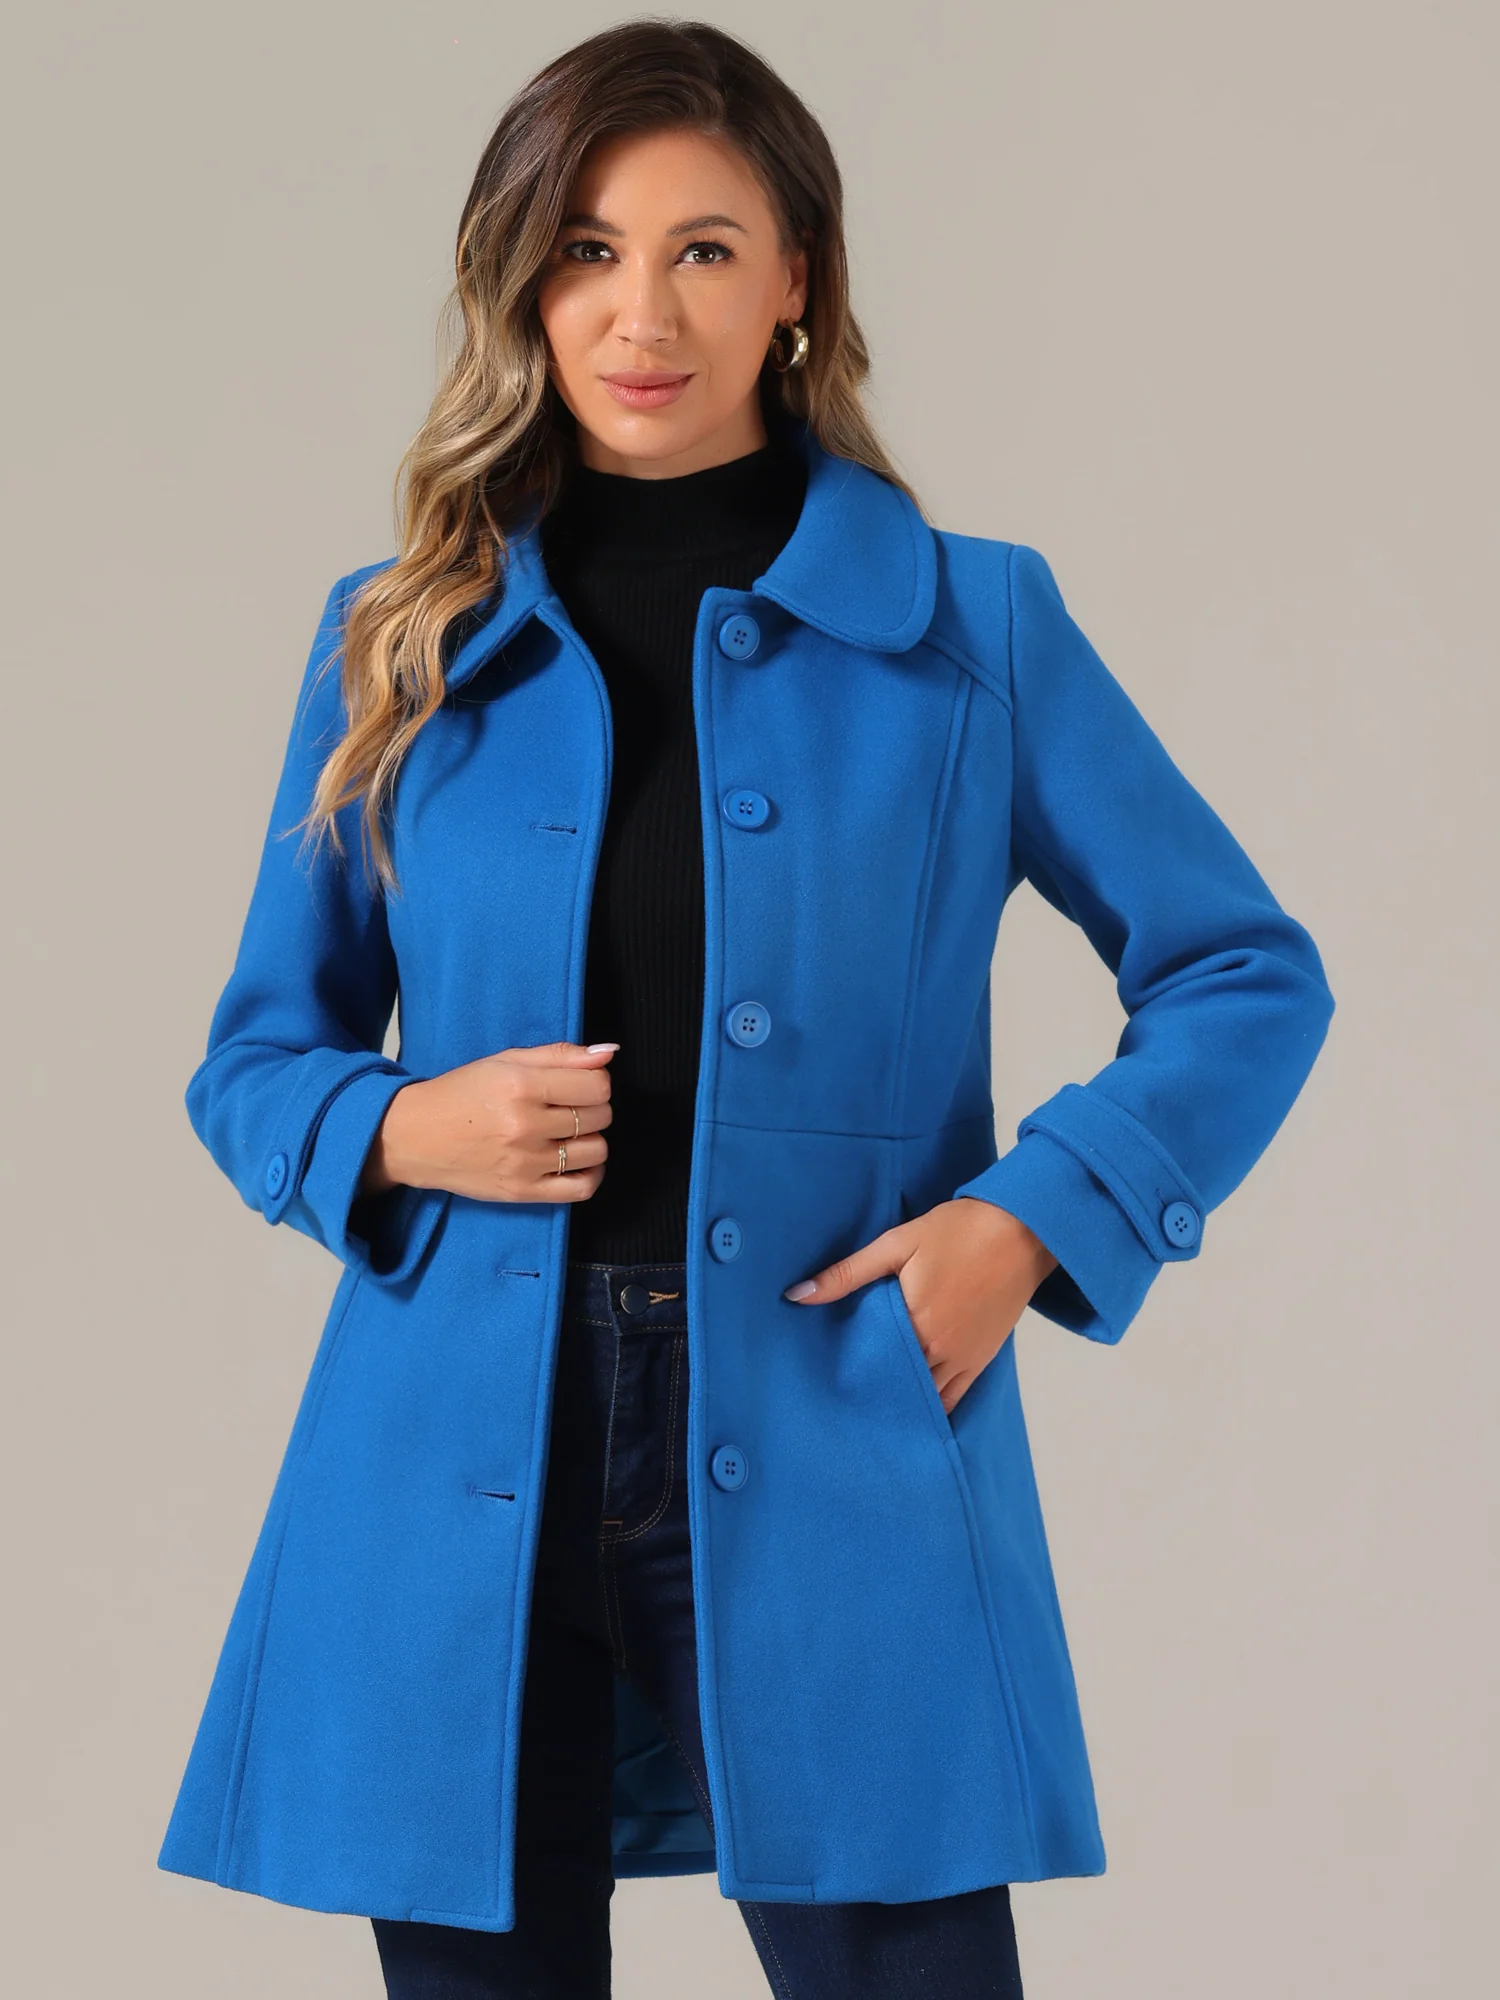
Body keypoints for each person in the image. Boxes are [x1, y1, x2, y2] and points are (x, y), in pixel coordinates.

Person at [157, 19, 1335, 2000]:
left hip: (836, 1410)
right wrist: (399, 1127)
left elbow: (1242, 971)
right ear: (525, 284)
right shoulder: (402, 636)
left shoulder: (972, 626)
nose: (645, 314)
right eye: (588, 251)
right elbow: (257, 1059)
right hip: (455, 1452)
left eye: (704, 250)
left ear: (797, 278)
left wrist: (1022, 1224)